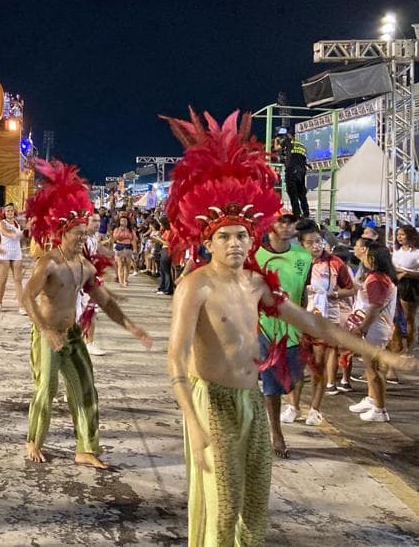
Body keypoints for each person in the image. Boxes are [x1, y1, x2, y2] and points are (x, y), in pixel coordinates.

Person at [163, 109, 416, 547]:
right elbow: (175, 358)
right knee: (224, 504)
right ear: (208, 241)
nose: (236, 243)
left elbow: (313, 321)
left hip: (250, 397)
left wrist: (382, 354)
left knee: (257, 499)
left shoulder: (257, 284)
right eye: (225, 236)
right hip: (213, 401)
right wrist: (194, 421)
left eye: (242, 235)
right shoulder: (194, 287)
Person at [22, 159, 152, 467]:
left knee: (86, 388)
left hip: (72, 335)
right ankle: (33, 441)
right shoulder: (49, 263)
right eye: (77, 233)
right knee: (47, 389)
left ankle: (86, 449)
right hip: (48, 333)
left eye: (85, 233)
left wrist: (131, 326)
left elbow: (105, 301)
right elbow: (27, 297)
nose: (82, 238)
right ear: (63, 233)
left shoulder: (85, 266)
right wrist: (44, 330)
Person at [255, 212, 311, 456]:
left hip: (294, 330)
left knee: (293, 381)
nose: (287, 226)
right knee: (272, 386)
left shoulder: (303, 256)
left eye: (290, 222)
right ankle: (276, 434)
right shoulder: (254, 255)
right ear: (269, 225)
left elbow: (303, 293)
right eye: (281, 221)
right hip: (261, 329)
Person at [298, 221, 354, 412]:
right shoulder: (298, 262)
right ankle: (293, 406)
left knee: (319, 364)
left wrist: (334, 295)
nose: (316, 245)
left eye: (319, 241)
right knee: (297, 365)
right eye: (310, 242)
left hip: (326, 318)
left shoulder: (335, 263)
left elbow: (351, 288)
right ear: (301, 244)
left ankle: (315, 408)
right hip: (299, 318)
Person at [347, 239, 399, 421]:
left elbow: (374, 308)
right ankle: (372, 399)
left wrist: (362, 328)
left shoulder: (377, 279)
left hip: (374, 328)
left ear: (374, 259)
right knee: (371, 367)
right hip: (377, 327)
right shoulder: (382, 277)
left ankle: (380, 409)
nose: (364, 258)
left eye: (368, 255)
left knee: (372, 369)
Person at [392, 224, 419, 353]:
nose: (399, 237)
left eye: (402, 235)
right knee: (394, 316)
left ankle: (410, 348)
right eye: (398, 235)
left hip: (410, 286)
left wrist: (406, 273)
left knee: (409, 318)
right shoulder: (396, 250)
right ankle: (397, 346)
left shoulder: (416, 252)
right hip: (394, 283)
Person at [0, 203, 25, 311]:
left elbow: (25, 232)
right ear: (4, 213)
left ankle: (21, 306)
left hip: (16, 253)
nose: (10, 213)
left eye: (11, 210)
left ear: (14, 212)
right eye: (7, 211)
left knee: (18, 280)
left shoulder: (18, 223)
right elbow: (4, 232)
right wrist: (14, 235)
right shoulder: (2, 223)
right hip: (5, 253)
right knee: (3, 279)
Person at [111, 213, 137, 287]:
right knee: (120, 264)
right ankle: (121, 281)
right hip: (119, 247)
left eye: (125, 221)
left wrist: (135, 249)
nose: (123, 222)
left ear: (127, 222)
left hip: (128, 247)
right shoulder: (117, 229)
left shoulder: (131, 230)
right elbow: (115, 238)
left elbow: (133, 240)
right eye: (121, 221)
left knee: (127, 265)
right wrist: (120, 231)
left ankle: (125, 280)